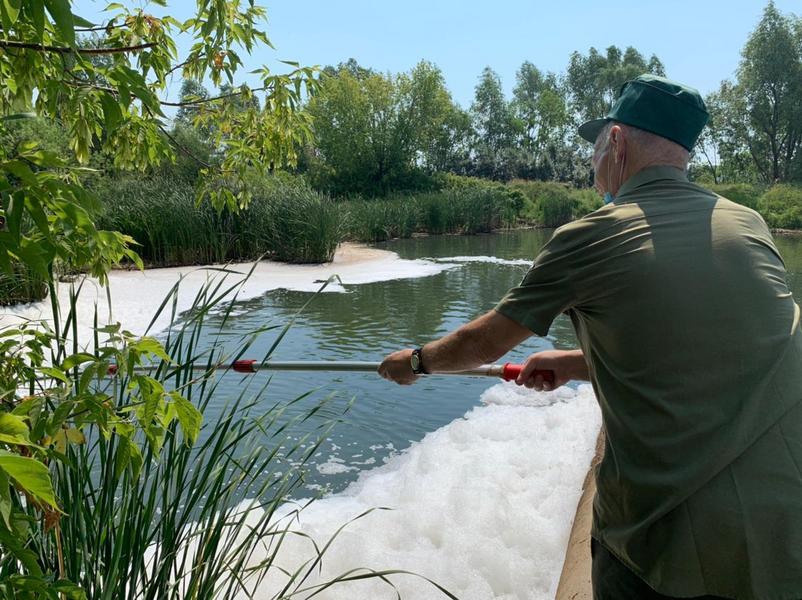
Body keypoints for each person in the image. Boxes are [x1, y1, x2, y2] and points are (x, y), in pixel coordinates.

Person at [379, 74, 802, 600]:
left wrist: (415, 363)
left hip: (666, 544)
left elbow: (483, 344)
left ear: (618, 143)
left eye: (597, 145)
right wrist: (581, 362)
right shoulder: (749, 224)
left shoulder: (591, 235)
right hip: (786, 528)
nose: (593, 162)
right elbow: (714, 345)